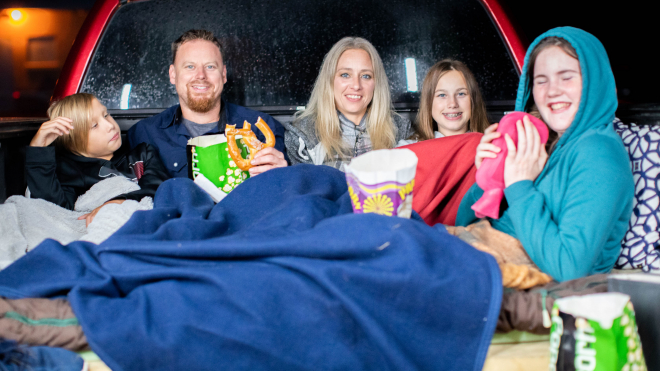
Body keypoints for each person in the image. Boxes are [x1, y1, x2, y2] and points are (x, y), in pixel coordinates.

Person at [456, 27, 634, 282]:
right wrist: (488, 177)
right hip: (478, 253)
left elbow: (569, 268)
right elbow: (464, 222)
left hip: (528, 288)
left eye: (567, 77)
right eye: (541, 80)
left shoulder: (599, 153)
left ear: (595, 82)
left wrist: (519, 185)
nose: (552, 91)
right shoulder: (543, 145)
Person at [128, 29, 287, 178]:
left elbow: (284, 195)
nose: (201, 75)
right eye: (190, 66)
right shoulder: (143, 134)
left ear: (223, 75)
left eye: (210, 66)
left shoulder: (261, 128)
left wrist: (283, 175)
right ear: (173, 74)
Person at [26, 93, 170, 225]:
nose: (110, 126)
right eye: (94, 125)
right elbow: (55, 211)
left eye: (106, 115)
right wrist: (38, 149)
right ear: (74, 141)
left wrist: (117, 202)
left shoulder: (142, 154)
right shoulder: (73, 173)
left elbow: (161, 189)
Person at [284, 37, 411, 170]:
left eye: (366, 76)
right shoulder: (302, 135)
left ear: (376, 83)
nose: (356, 85)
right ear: (329, 80)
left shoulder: (401, 131)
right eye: (345, 75)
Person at [400, 59, 489, 146]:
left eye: (461, 94)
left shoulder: (493, 145)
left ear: (473, 100)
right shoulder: (407, 151)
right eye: (442, 95)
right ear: (429, 102)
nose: (453, 104)